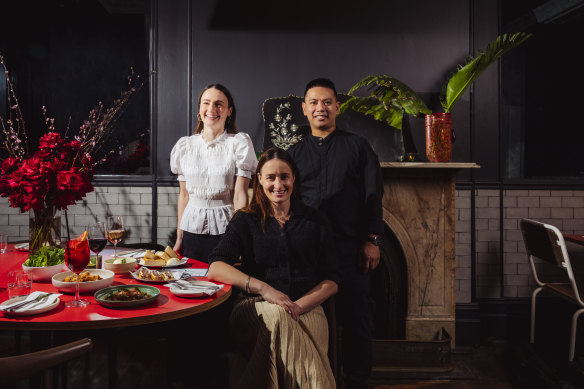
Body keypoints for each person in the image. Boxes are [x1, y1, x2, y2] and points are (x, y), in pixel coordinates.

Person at [207, 147, 340, 389]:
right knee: (278, 316)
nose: (278, 184)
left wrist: (299, 305)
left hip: (307, 307)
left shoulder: (315, 220)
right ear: (259, 179)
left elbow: (332, 279)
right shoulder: (245, 220)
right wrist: (263, 288)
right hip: (254, 306)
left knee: (285, 319)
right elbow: (215, 267)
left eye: (284, 176)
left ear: (293, 178)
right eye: (271, 177)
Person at [287, 78, 384, 389]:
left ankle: (357, 381)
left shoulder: (358, 147)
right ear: (304, 109)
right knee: (313, 321)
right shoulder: (294, 153)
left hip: (351, 249)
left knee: (356, 319)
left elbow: (373, 195)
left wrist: (371, 240)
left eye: (327, 102)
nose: (320, 108)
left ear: (337, 107)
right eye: (314, 102)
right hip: (308, 253)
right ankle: (318, 379)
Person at [170, 83, 257, 262]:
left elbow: (240, 197)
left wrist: (239, 238)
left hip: (227, 231)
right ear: (200, 108)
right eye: (206, 103)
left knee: (222, 285)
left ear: (229, 111)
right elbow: (184, 196)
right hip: (191, 232)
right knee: (193, 284)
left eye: (218, 104)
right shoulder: (185, 146)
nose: (211, 109)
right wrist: (179, 237)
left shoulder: (239, 144)